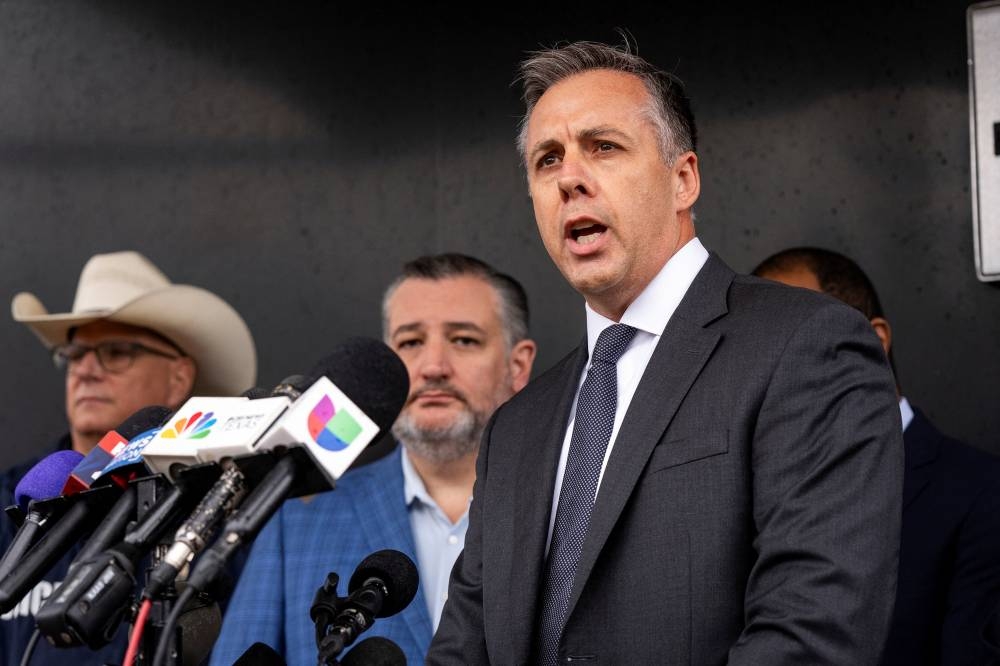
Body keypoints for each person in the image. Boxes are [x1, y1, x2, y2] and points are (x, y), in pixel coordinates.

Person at [428, 40, 904, 665]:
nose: (569, 177)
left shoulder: (806, 345)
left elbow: (813, 634)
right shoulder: (516, 428)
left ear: (683, 179)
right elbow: (464, 649)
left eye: (603, 146)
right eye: (547, 160)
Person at [208, 253, 537, 666]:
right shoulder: (297, 520)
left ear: (517, 364)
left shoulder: (565, 511)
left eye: (463, 340)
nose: (433, 366)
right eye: (411, 342)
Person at [1, 250, 257, 665]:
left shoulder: (220, 509)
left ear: (179, 378)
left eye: (116, 352)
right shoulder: (13, 501)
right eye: (74, 354)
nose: (84, 370)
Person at [753, 246, 1000, 665]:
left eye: (790, 343)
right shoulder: (750, 502)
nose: (766, 374)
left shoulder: (983, 496)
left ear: (874, 340)